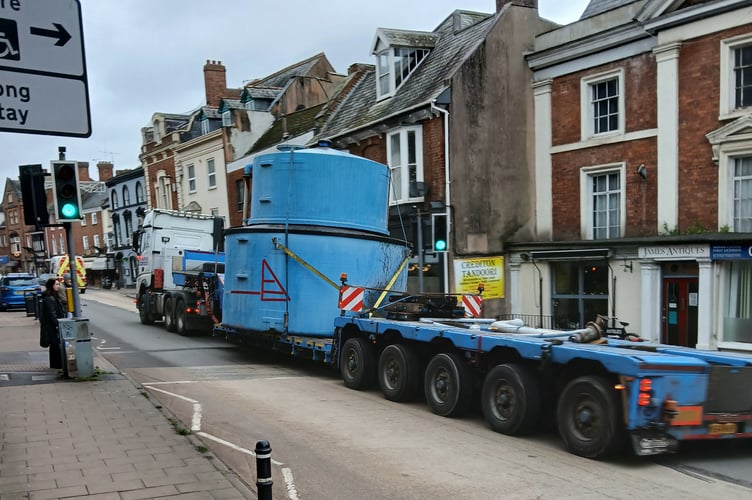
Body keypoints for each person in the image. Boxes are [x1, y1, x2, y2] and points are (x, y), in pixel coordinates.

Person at [40, 278, 66, 373]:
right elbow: (52, 313)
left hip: (52, 324)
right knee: (55, 344)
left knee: (55, 345)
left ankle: (56, 364)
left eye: (58, 284)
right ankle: (56, 364)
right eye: (56, 284)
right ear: (51, 285)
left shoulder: (53, 296)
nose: (58, 286)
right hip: (51, 326)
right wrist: (57, 324)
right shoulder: (49, 298)